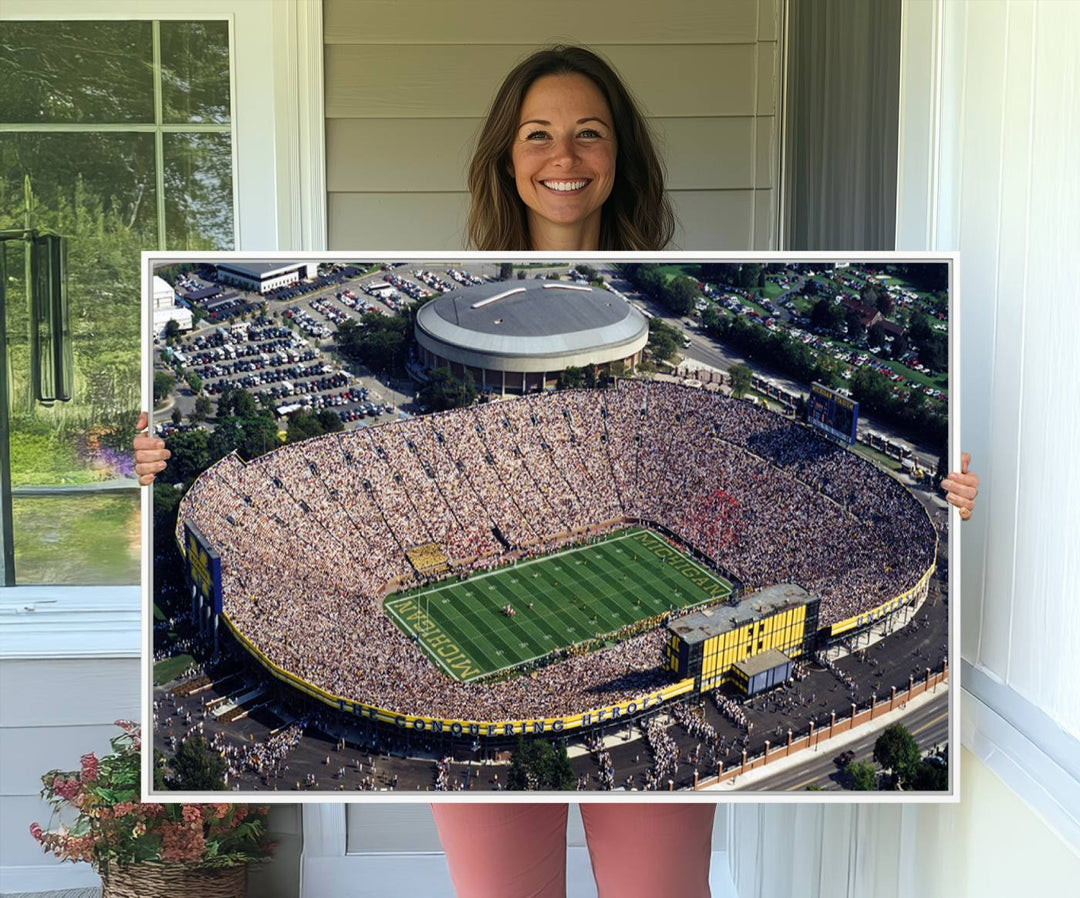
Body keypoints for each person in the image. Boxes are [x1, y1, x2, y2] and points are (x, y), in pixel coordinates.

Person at [134, 43, 978, 898]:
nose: (564, 157)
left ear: (625, 155)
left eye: (590, 133)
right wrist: (131, 470)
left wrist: (962, 501)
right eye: (537, 133)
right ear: (503, 154)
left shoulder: (719, 249)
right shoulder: (424, 253)